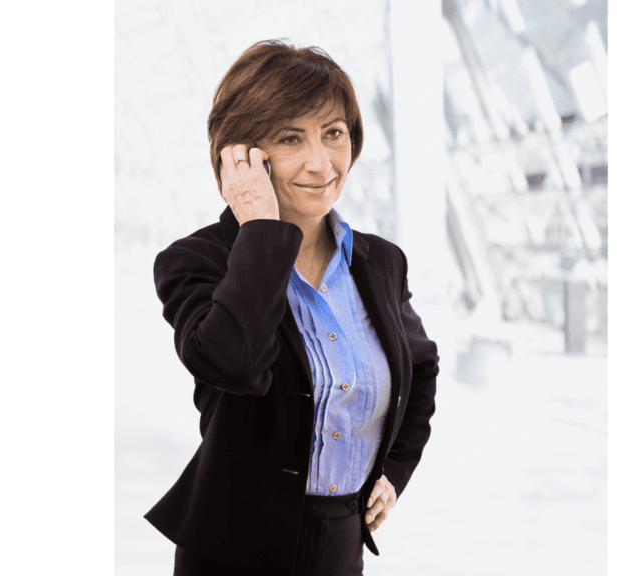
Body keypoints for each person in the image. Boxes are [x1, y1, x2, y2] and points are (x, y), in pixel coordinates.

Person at [145, 39, 439, 576]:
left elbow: (419, 370)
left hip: (340, 546)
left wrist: (393, 470)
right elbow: (233, 364)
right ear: (242, 156)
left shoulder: (381, 263)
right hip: (234, 555)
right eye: (290, 138)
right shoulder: (197, 261)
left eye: (333, 133)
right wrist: (259, 230)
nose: (320, 162)